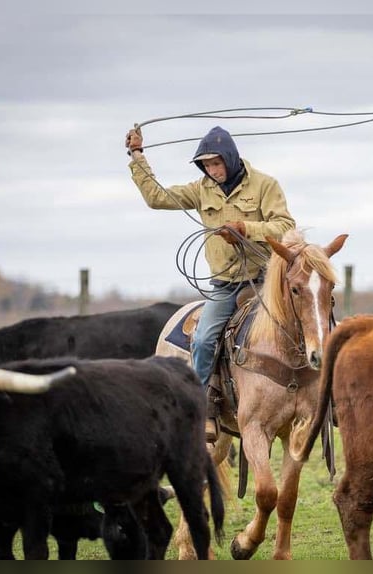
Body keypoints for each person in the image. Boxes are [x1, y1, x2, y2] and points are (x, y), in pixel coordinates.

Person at [125, 125, 296, 443]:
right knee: (203, 340)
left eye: (216, 163)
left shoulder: (264, 185)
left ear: (230, 159)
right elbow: (157, 197)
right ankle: (204, 407)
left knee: (305, 325)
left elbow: (285, 226)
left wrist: (245, 227)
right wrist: (137, 156)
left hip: (266, 282)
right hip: (226, 285)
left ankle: (319, 397)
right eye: (206, 165)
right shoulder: (201, 189)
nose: (212, 170)